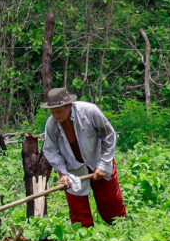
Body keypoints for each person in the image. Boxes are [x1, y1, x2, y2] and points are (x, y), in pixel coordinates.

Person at [41, 87, 127, 227]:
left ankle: (122, 233)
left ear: (68, 105)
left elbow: (109, 135)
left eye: (59, 110)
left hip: (98, 161)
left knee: (112, 205)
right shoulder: (51, 125)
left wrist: (103, 164)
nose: (55, 115)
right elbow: (51, 151)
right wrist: (63, 173)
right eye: (52, 111)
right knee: (78, 214)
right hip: (73, 170)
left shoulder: (89, 111)